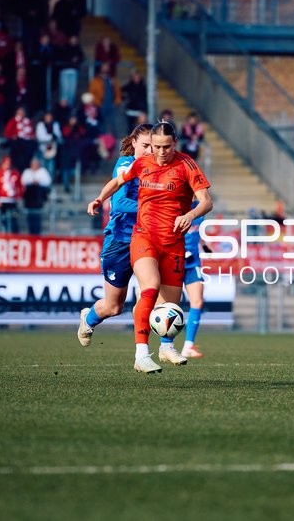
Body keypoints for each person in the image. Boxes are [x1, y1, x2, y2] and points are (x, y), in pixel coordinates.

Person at [86, 122, 212, 374]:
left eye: (166, 147)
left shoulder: (186, 165)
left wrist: (191, 214)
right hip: (144, 238)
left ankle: (166, 347)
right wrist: (100, 197)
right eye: (156, 147)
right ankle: (141, 354)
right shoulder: (142, 163)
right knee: (150, 288)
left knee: (171, 307)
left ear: (174, 143)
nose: (161, 152)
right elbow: (117, 182)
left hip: (174, 242)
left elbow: (206, 202)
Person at [78, 123, 152, 348]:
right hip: (120, 240)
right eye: (145, 145)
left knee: (150, 291)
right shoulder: (125, 164)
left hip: (146, 239)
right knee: (113, 307)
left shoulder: (157, 169)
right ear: (133, 143)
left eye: (154, 146)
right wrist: (152, 208)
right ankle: (88, 319)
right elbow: (119, 203)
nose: (150, 151)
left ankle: (153, 348)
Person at [158, 199, 209, 359]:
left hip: (193, 262)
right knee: (170, 304)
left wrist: (204, 245)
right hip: (175, 260)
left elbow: (196, 231)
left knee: (198, 301)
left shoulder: (200, 208)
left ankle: (188, 345)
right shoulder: (175, 205)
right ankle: (164, 344)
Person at [88, 62, 121, 137]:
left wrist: (117, 102)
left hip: (112, 105)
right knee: (102, 125)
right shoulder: (96, 80)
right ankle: (103, 144)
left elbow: (117, 91)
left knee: (114, 125)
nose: (106, 67)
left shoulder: (112, 79)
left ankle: (115, 143)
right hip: (101, 105)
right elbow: (92, 93)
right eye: (104, 66)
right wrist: (98, 104)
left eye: (107, 66)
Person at [20, 156, 51, 234]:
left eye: (36, 164)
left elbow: (47, 182)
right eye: (33, 164)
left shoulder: (43, 171)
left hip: (39, 196)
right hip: (29, 197)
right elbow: (23, 182)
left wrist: (38, 182)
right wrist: (32, 181)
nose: (35, 165)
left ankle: (37, 231)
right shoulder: (27, 171)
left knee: (37, 188)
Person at [0, 155, 23, 233]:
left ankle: (14, 234)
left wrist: (18, 196)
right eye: (6, 163)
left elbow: (20, 186)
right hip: (2, 201)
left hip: (13, 201)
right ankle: (4, 232)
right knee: (3, 218)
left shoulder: (15, 173)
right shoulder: (0, 173)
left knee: (14, 217)